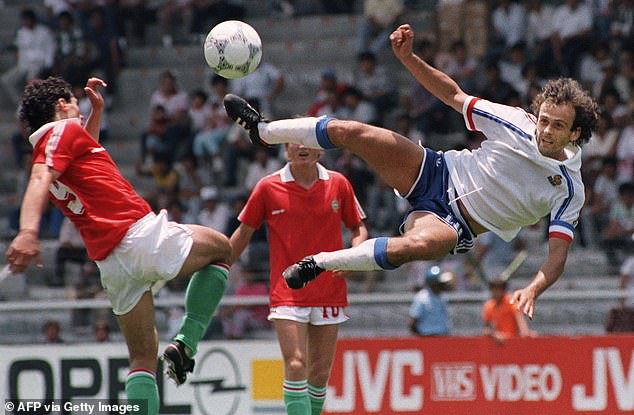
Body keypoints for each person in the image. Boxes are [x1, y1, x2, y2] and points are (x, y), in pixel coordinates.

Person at [223, 23, 599, 320]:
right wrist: (408, 59)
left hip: (455, 225)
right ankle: (263, 131)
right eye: (544, 120)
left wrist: (533, 288)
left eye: (556, 126)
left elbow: (556, 256)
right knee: (354, 132)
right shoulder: (517, 122)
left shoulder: (569, 188)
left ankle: (318, 263)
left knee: (415, 247)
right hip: (435, 171)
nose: (545, 130)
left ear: (575, 133)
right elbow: (454, 95)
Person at [5, 76, 232, 414]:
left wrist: (95, 113)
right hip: (138, 237)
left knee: (142, 357)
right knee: (222, 248)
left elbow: (83, 158)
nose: (80, 108)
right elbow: (40, 178)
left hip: (111, 263)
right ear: (60, 107)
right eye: (75, 102)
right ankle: (186, 343)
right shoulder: (59, 135)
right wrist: (27, 231)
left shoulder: (60, 143)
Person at [228, 143, 368, 415]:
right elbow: (243, 234)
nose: (302, 146)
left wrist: (356, 256)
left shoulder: (338, 183)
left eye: (308, 141)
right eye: (294, 141)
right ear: (285, 150)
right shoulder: (267, 187)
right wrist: (219, 266)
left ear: (321, 151)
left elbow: (357, 226)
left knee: (318, 374)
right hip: (287, 292)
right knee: (295, 364)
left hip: (329, 289)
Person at [482, 278, 535, 343]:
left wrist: (526, 333)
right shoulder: (488, 306)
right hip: (497, 343)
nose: (495, 293)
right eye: (494, 290)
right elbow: (486, 329)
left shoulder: (512, 302)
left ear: (503, 290)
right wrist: (494, 334)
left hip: (512, 341)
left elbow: (521, 322)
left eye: (498, 290)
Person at [408, 265, 452, 336]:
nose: (443, 285)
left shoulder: (442, 297)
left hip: (443, 336)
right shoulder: (422, 298)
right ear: (434, 284)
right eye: (440, 283)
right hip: (427, 336)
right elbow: (413, 321)